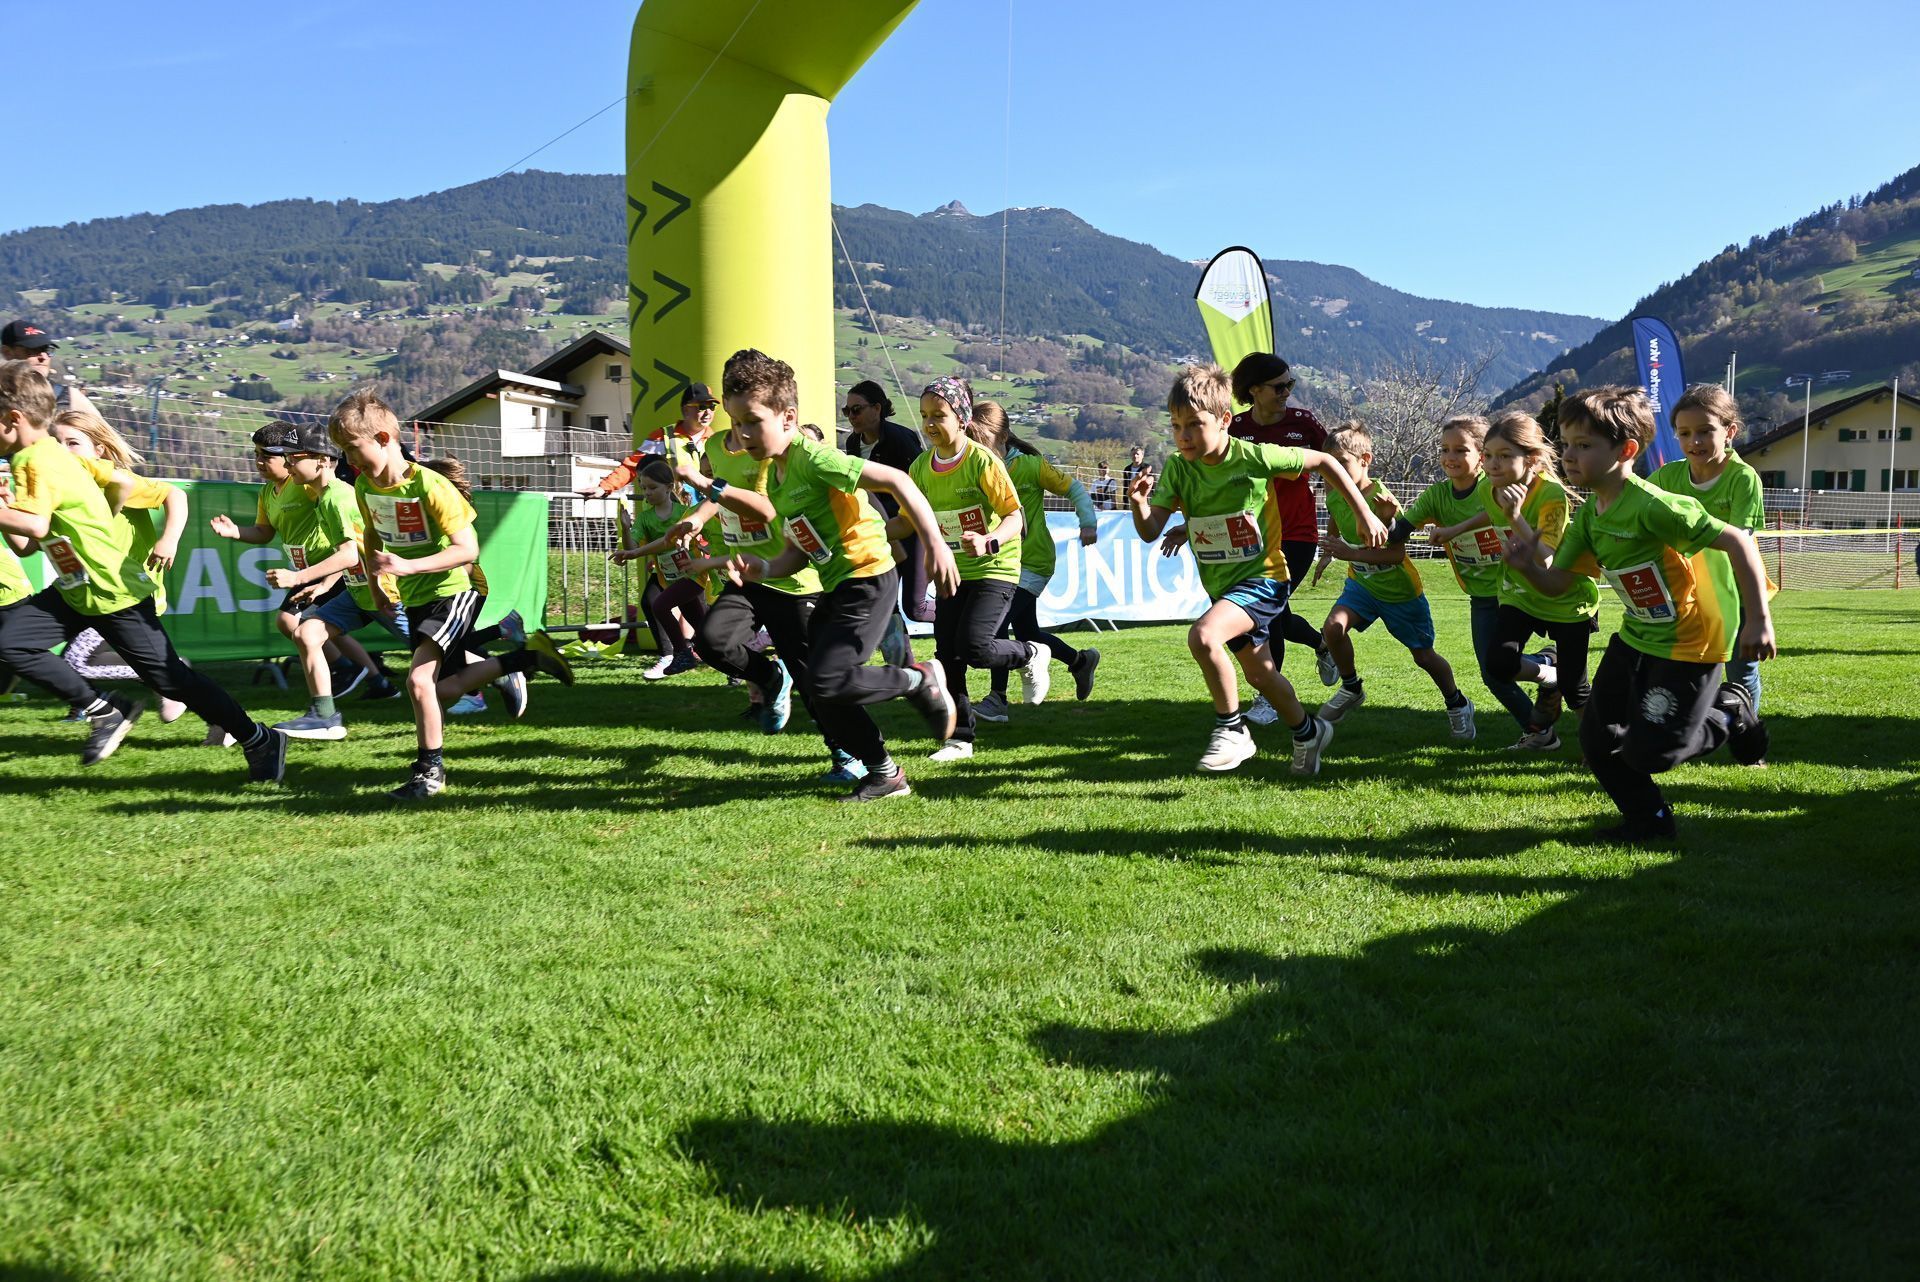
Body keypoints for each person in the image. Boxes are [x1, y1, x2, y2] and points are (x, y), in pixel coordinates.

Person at [1503, 386, 1773, 841]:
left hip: (1688, 641)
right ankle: (1649, 822)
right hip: (1634, 638)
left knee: (1652, 755)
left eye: (1584, 446)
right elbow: (1558, 582)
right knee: (1596, 738)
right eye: (1566, 444)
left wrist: (1758, 620)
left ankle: (1730, 710)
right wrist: (1527, 564)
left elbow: (1740, 541)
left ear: (1626, 450)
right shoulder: (1590, 515)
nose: (1569, 456)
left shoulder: (1657, 506)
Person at [0, 360, 288, 779]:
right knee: (11, 642)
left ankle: (259, 738)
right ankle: (104, 709)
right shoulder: (51, 456)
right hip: (74, 587)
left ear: (13, 419)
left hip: (113, 590)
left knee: (174, 682)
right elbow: (29, 541)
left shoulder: (35, 460)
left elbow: (38, 526)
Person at [703, 349, 960, 801]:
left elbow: (899, 483)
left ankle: (921, 680)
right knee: (821, 690)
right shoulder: (776, 477)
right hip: (836, 585)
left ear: (788, 417)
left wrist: (936, 544)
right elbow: (797, 553)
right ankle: (885, 774)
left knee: (827, 680)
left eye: (752, 421)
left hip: (869, 577)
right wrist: (761, 568)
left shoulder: (814, 458)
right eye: (735, 422)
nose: (742, 434)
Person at [1129, 363, 1381, 774]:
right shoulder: (1178, 468)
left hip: (1264, 579)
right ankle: (1308, 732)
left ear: (1225, 420)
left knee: (1204, 636)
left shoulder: (1255, 457)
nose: (1183, 436)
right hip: (1221, 586)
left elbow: (1324, 462)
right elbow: (1150, 530)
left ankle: (1231, 730)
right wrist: (1140, 506)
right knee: (1262, 675)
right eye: (1176, 426)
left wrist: (1364, 513)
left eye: (1194, 424)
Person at [330, 388, 568, 800]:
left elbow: (467, 550)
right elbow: (370, 537)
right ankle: (526, 658)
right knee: (442, 689)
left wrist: (406, 567)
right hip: (415, 593)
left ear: (385, 439)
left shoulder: (432, 487)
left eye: (352, 449)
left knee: (419, 681)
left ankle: (430, 773)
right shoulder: (367, 487)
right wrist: (377, 585)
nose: (348, 461)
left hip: (456, 588)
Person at [892, 377, 1049, 762]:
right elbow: (905, 523)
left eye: (939, 415)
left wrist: (988, 539)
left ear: (961, 418)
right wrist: (862, 529)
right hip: (953, 572)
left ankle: (1030, 653)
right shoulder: (919, 467)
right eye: (925, 416)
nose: (929, 424)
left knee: (975, 648)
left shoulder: (982, 460)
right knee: (947, 656)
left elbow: (1016, 517)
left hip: (996, 567)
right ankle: (960, 739)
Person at [1310, 421, 1476, 740]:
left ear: (1365, 460)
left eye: (1341, 464)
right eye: (1329, 466)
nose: (1334, 474)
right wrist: (1329, 552)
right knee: (1332, 628)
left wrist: (1349, 553)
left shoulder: (1383, 500)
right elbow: (1335, 517)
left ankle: (1457, 703)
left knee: (1424, 656)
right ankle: (1352, 687)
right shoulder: (1334, 493)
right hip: (1361, 586)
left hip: (1399, 591)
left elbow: (1394, 556)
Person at [1395, 415, 1546, 740]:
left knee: (1498, 666)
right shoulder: (1437, 496)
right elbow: (1401, 530)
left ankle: (1550, 679)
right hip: (1482, 597)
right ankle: (1539, 727)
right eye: (1444, 449)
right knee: (1493, 674)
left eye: (1461, 450)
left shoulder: (1494, 484)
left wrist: (1454, 529)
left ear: (1482, 454)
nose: (1450, 457)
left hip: (1522, 590)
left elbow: (1500, 506)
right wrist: (1373, 519)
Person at [260, 423, 411, 740]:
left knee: (444, 650)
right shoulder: (322, 497)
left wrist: (299, 577)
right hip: (359, 592)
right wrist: (326, 585)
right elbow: (350, 549)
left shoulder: (335, 498)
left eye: (292, 458)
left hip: (388, 593)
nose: (287, 465)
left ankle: (505, 666)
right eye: (284, 459)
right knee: (307, 632)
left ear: (320, 459)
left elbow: (348, 556)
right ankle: (325, 716)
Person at [48, 409, 190, 726]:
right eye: (55, 442)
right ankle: (221, 722)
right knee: (71, 656)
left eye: (72, 443)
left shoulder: (116, 479)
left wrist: (169, 539)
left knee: (75, 660)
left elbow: (175, 494)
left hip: (128, 592)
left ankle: (169, 672)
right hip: (90, 593)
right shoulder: (62, 488)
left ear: (99, 449)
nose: (62, 450)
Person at [971, 399, 1101, 722]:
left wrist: (1088, 522)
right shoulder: (980, 465)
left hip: (1034, 562)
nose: (977, 445)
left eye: (982, 438)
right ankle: (1080, 661)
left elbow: (1074, 488)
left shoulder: (1031, 464)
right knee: (1028, 632)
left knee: (997, 626)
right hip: (1004, 562)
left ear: (1000, 436)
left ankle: (997, 700)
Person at [1482, 409, 1602, 751]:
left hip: (1567, 598)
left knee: (1577, 688)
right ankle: (1549, 674)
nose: (1493, 465)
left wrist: (1515, 517)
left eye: (1505, 456)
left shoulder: (1551, 495)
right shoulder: (1485, 488)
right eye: (1488, 455)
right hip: (1519, 595)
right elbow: (1481, 511)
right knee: (1498, 664)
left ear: (1532, 459)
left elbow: (1547, 557)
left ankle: (1598, 750)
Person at [1651, 384, 1769, 729]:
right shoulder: (1666, 477)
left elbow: (1740, 542)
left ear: (1729, 431)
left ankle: (1747, 741)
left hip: (1735, 589)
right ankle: (1683, 730)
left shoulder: (1743, 478)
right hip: (1685, 591)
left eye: (1705, 431)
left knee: (1740, 669)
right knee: (1684, 664)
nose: (1694, 442)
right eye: (1685, 433)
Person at [1227, 353, 1339, 706]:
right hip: (1253, 537)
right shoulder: (1236, 429)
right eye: (1280, 386)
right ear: (1255, 390)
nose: (1287, 392)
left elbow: (1336, 462)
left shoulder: (1304, 423)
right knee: (1275, 613)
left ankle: (1268, 700)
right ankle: (1323, 644)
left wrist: (1349, 515)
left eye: (1290, 384)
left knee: (1269, 616)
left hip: (1297, 534)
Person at [841, 380, 934, 650]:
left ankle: (960, 621)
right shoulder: (852, 442)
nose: (851, 417)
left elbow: (920, 484)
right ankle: (905, 667)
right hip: (879, 533)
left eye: (856, 409)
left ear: (877, 408)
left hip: (911, 529)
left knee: (915, 607)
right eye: (847, 411)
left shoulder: (899, 437)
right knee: (886, 604)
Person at [610, 459, 708, 678]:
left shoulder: (684, 512)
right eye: (644, 488)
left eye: (652, 488)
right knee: (703, 629)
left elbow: (695, 535)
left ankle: (681, 653)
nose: (647, 493)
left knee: (659, 604)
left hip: (693, 574)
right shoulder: (645, 519)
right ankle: (733, 662)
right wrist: (625, 528)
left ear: (668, 487)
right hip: (669, 577)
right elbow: (631, 548)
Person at [581, 382, 719, 498]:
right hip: (669, 519)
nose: (708, 412)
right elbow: (632, 466)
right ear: (685, 410)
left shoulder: (718, 440)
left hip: (708, 518)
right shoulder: (661, 436)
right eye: (702, 407)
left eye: (712, 407)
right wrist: (604, 487)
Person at [2, 320, 99, 418]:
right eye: (32, 350)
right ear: (7, 352)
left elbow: (103, 433)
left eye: (46, 350)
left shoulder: (70, 398)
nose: (43, 357)